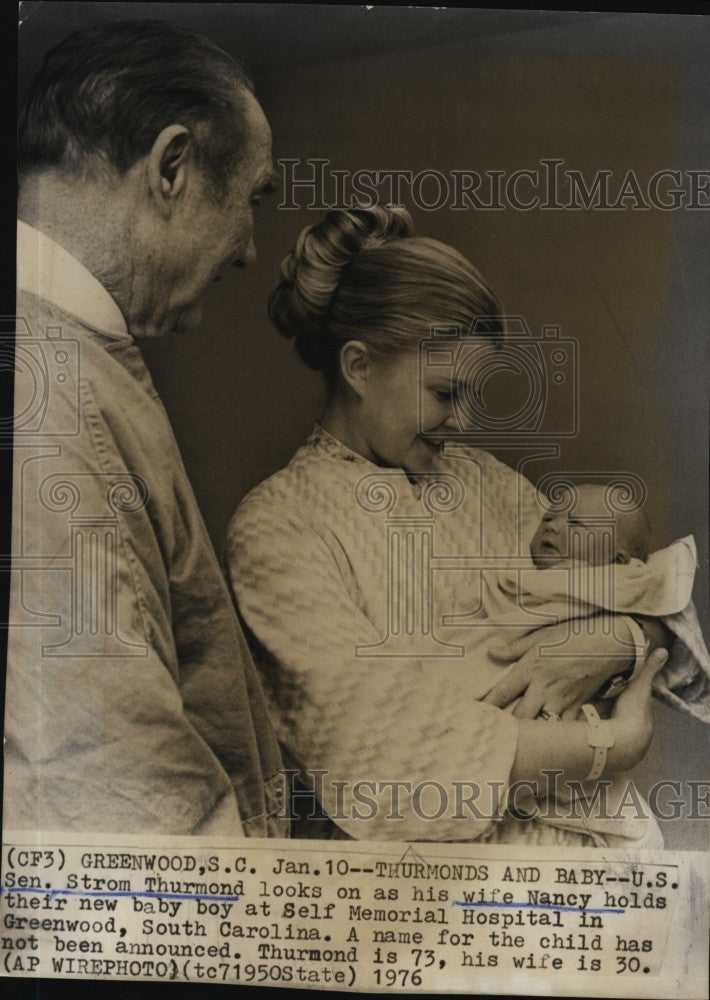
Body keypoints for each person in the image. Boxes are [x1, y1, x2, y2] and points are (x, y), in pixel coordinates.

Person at [226, 205, 710, 846]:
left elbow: (626, 581)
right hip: (411, 897)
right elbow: (386, 762)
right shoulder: (276, 527)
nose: (463, 423)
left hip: (574, 848)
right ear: (359, 367)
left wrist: (617, 637)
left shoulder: (483, 481)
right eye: (446, 394)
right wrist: (607, 746)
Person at [5, 20, 286, 835]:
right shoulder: (49, 393)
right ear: (171, 167)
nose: (249, 251)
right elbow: (118, 787)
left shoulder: (67, 356)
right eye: (253, 199)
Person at [486, 484, 710, 712]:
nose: (551, 526)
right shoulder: (519, 565)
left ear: (618, 561)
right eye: (548, 518)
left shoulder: (623, 578)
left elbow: (666, 603)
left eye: (575, 524)